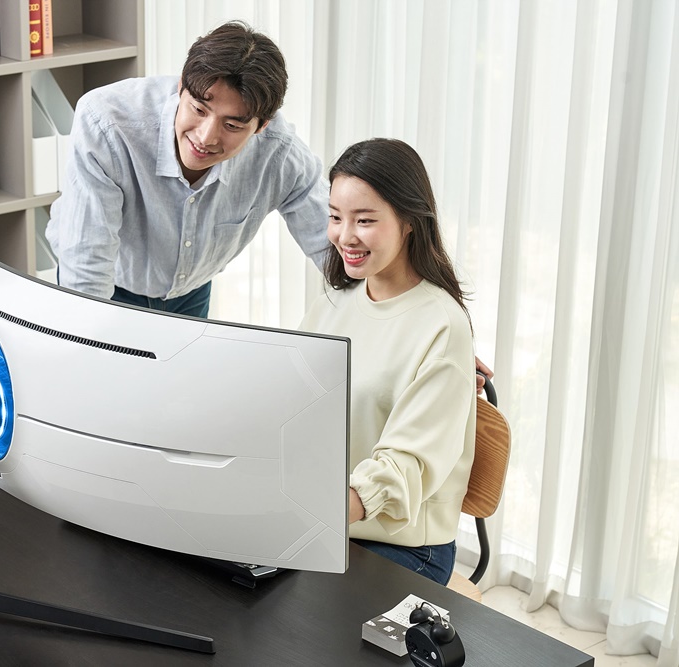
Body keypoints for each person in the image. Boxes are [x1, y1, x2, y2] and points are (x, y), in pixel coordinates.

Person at [46, 20, 329, 318]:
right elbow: (87, 267)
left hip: (190, 291)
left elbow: (336, 242)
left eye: (232, 125)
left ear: (262, 126)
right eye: (198, 110)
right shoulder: (106, 123)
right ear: (181, 87)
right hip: (110, 284)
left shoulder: (278, 150)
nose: (206, 137)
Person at [297, 138, 477, 585]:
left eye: (364, 220)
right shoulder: (334, 302)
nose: (345, 236)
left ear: (409, 221)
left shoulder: (442, 326)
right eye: (335, 217)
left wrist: (311, 510)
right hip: (326, 521)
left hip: (401, 545)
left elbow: (404, 466)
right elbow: (293, 403)